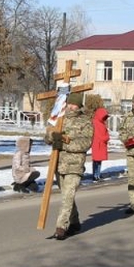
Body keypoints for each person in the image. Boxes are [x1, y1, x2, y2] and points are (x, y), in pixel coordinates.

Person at [47, 91, 93, 240]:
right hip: (58, 164)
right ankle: (74, 222)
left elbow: (85, 143)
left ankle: (61, 227)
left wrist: (65, 142)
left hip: (74, 165)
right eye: (70, 103)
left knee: (67, 196)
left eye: (75, 104)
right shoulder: (60, 119)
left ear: (79, 106)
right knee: (67, 196)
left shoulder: (85, 122)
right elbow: (46, 136)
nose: (72, 107)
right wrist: (51, 137)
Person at [90, 103, 110, 181]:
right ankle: (95, 175)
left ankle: (97, 174)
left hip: (100, 144)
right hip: (97, 144)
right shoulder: (95, 123)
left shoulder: (100, 123)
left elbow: (105, 133)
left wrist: (106, 137)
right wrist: (106, 138)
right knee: (96, 160)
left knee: (99, 160)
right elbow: (100, 135)